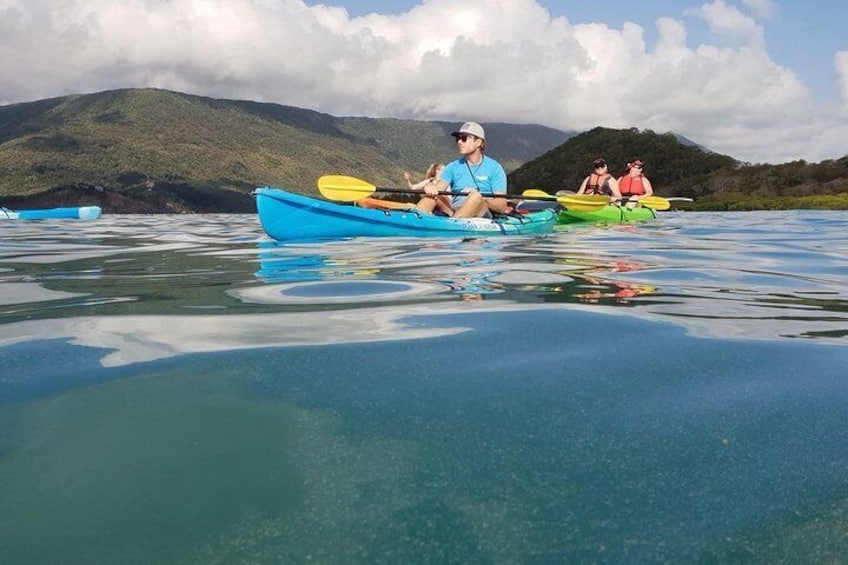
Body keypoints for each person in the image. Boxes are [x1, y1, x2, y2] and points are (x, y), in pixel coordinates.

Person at [415, 122, 508, 218]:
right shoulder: (452, 167)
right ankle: (414, 219)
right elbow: (439, 188)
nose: (459, 142)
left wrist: (480, 197)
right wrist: (430, 187)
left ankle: (453, 225)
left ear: (478, 142)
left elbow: (501, 206)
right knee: (433, 195)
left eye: (464, 138)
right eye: (457, 139)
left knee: (475, 196)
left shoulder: (495, 168)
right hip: (455, 210)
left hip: (483, 214)